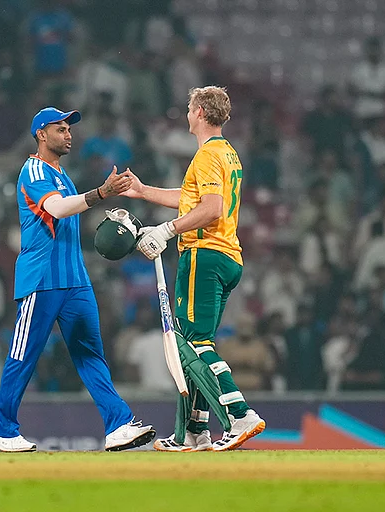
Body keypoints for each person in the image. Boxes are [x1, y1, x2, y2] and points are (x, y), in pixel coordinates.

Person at [0, 107, 155, 452]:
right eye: (61, 129)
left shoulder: (63, 175)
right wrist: (101, 193)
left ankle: (118, 425)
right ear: (41, 134)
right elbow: (57, 209)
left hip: (75, 280)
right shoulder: (32, 169)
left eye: (69, 129)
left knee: (91, 354)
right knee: (23, 356)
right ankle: (2, 430)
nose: (69, 134)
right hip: (42, 278)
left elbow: (70, 209)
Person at [122, 85, 266, 452]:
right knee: (196, 343)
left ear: (200, 112)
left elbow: (211, 208)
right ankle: (192, 431)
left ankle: (239, 414)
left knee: (193, 344)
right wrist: (142, 191)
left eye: (189, 109)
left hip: (203, 255)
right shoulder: (226, 153)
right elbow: (192, 200)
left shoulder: (205, 156)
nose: (186, 115)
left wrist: (166, 230)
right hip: (229, 256)